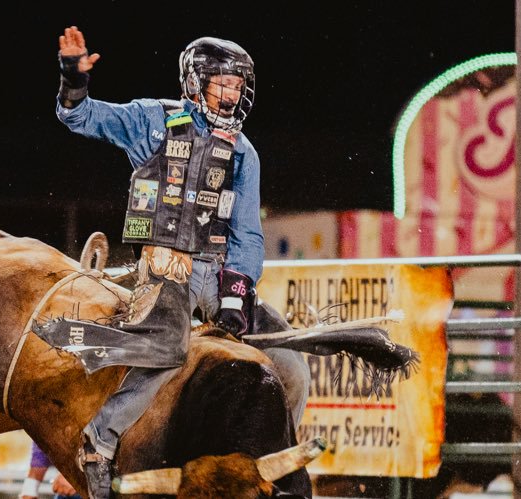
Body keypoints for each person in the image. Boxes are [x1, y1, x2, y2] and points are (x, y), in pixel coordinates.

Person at [54, 26, 306, 498]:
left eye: (238, 85)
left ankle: (271, 459)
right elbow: (80, 117)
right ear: (195, 82)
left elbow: (247, 233)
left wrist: (237, 293)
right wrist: (74, 78)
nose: (232, 94)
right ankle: (99, 441)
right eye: (223, 83)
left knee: (291, 362)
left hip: (218, 271)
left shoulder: (244, 153)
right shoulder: (151, 120)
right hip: (166, 266)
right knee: (166, 349)